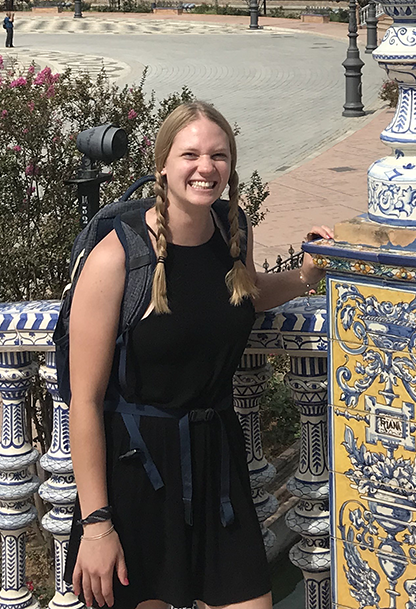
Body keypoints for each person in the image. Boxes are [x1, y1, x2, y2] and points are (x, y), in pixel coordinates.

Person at [65, 100, 332, 609]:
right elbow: (85, 400)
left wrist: (304, 276)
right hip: (137, 474)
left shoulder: (233, 230)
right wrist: (97, 525)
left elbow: (243, 296)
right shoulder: (117, 257)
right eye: (190, 155)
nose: (205, 168)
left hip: (217, 460)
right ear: (162, 162)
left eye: (219, 155)